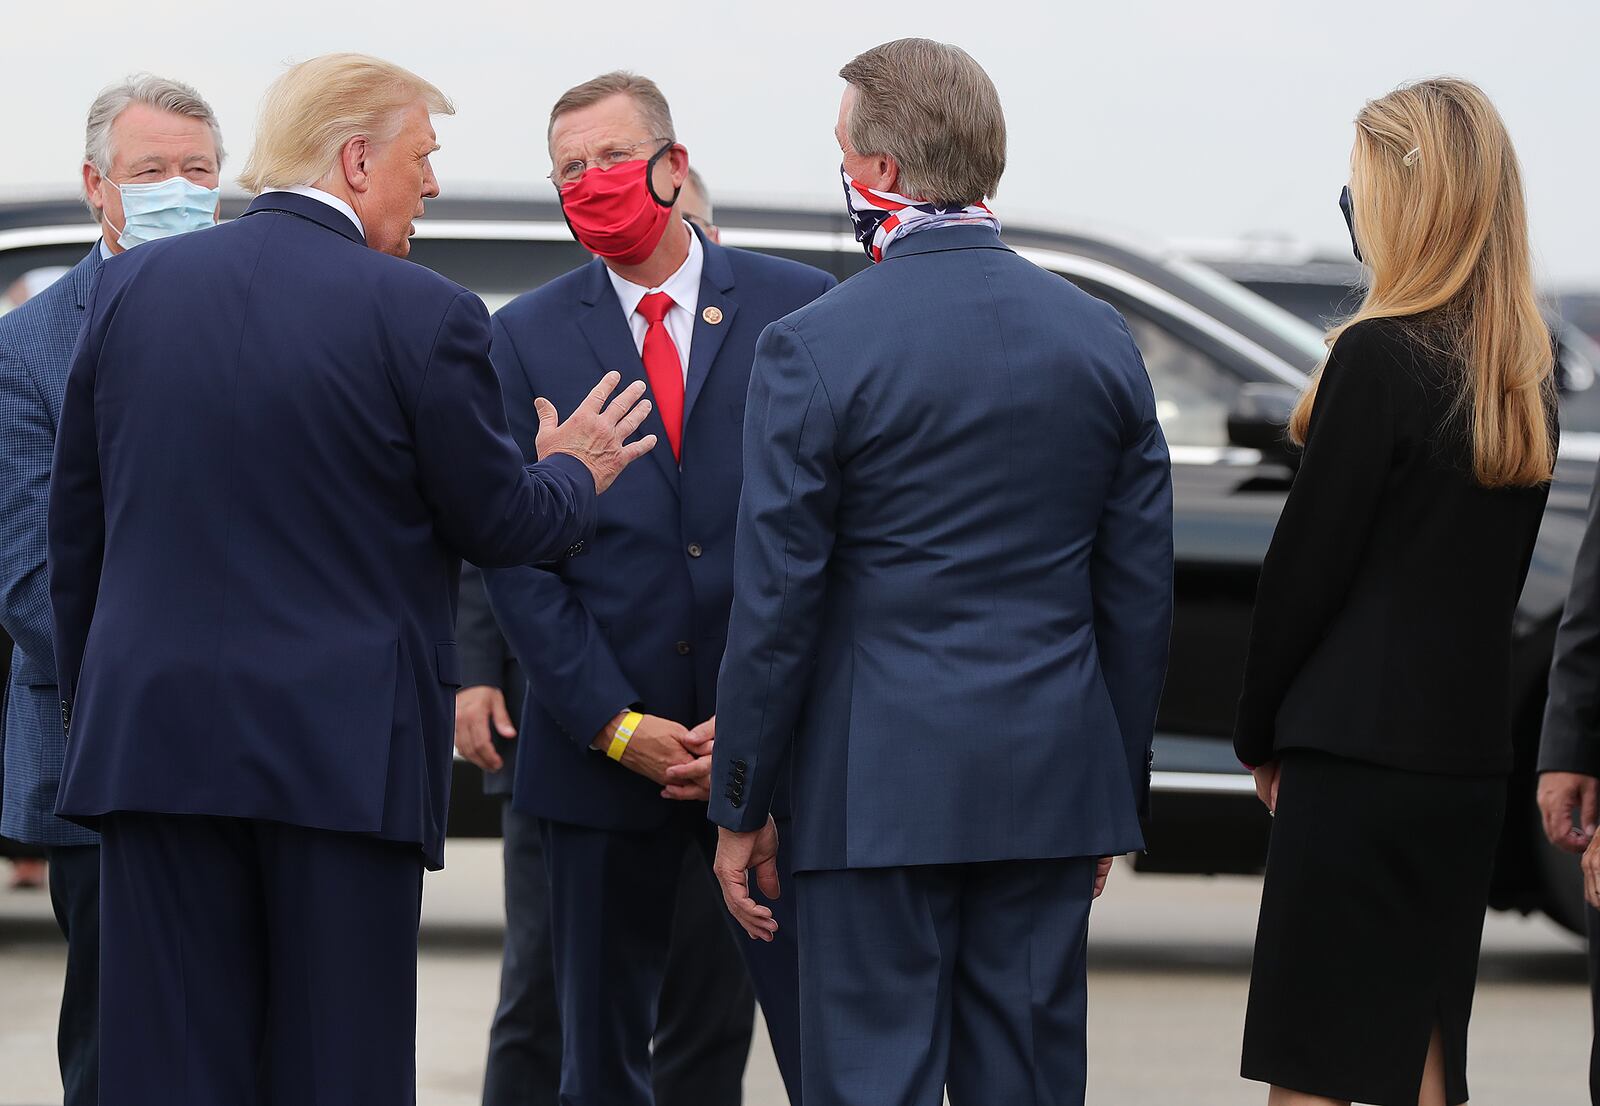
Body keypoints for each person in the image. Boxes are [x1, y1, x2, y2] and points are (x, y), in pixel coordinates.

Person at [46, 53, 654, 1106]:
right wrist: (576, 467)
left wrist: (93, 708)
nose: (430, 185)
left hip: (151, 748)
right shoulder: (424, 312)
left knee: (166, 1069)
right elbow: (499, 522)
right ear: (357, 156)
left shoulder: (133, 286)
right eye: (422, 158)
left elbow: (77, 533)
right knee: (337, 1068)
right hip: (337, 758)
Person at [709, 38, 1173, 1106]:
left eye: (838, 148)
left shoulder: (813, 344)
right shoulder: (1099, 339)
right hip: (1050, 780)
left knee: (873, 1081)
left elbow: (775, 600)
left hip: (872, 790)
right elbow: (1137, 599)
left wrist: (742, 801)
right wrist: (1113, 789)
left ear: (875, 172)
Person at [480, 71, 834, 1106]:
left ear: (674, 168)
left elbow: (831, 537)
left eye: (609, 159)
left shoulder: (798, 308)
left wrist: (761, 720)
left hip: (766, 756)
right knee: (596, 1058)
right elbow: (514, 555)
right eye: (567, 170)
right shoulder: (523, 334)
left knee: (817, 1039)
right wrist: (610, 720)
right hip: (600, 759)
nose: (590, 183)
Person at [1233, 78, 1556, 1106]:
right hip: (1461, 766)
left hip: (1352, 761)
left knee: (1317, 1066)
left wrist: (1258, 732)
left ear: (1404, 202)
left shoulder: (1374, 357)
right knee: (1420, 1051)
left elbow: (1304, 576)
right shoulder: (1523, 376)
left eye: (1358, 187)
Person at [0, 73, 225, 1106]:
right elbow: (35, 581)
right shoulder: (29, 349)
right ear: (97, 187)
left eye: (198, 171)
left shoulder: (261, 309)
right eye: (150, 172)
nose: (178, 189)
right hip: (105, 753)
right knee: (120, 1042)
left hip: (254, 754)